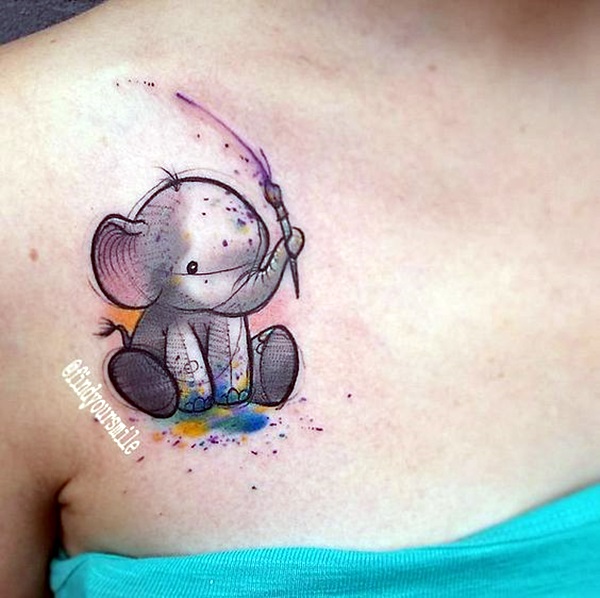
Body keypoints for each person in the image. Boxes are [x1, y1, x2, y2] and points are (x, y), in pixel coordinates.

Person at [1, 1, 600, 595]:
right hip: (170, 348)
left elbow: (245, 297)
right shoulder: (28, 163)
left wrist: (283, 254)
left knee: (235, 336)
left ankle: (255, 377)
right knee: (190, 356)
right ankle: (161, 384)